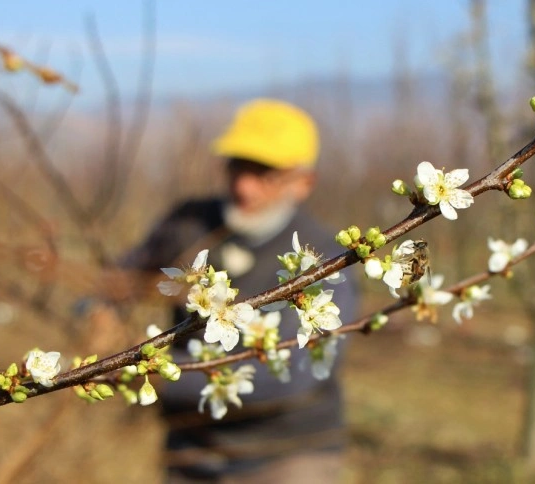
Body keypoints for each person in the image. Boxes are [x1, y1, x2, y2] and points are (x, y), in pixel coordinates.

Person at [118, 99, 358, 483]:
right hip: (191, 447)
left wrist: (162, 375)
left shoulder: (326, 259)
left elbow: (296, 374)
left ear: (303, 183)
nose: (244, 186)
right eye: (237, 166)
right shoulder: (190, 224)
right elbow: (120, 280)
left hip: (287, 453)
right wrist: (98, 315)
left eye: (265, 173)